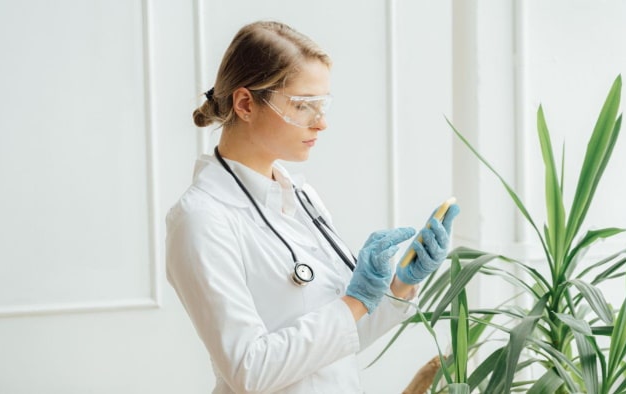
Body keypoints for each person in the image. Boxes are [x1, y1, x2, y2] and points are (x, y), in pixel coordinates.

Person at [165, 20, 460, 394]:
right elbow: (248, 370)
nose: (321, 123)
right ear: (245, 104)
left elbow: (337, 344)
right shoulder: (201, 219)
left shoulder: (303, 199)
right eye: (304, 105)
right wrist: (355, 300)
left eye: (323, 105)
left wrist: (401, 283)